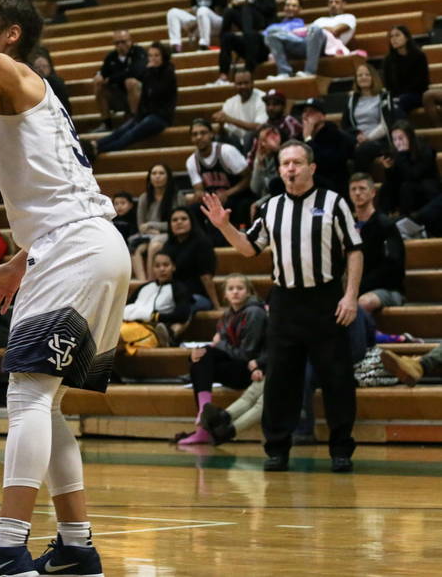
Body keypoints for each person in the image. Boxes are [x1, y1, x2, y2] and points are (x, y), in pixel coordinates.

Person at [0, 0, 128, 577]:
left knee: (26, 396)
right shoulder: (25, 96)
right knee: (46, 406)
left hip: (76, 249)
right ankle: (77, 546)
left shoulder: (20, 80)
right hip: (83, 245)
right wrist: (17, 262)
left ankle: (7, 547)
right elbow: (60, 197)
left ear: (10, 37)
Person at [202, 140, 362, 473]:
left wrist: (350, 296)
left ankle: (341, 449)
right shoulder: (271, 207)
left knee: (337, 378)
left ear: (311, 167)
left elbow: (355, 250)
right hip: (286, 302)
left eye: (297, 163)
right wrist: (224, 226)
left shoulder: (334, 203)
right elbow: (249, 249)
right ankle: (277, 448)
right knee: (279, 380)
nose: (290, 168)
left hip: (326, 300)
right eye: (285, 163)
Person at [175, 272, 267, 445]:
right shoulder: (227, 315)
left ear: (249, 292)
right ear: (225, 294)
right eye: (231, 289)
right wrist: (204, 349)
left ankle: (205, 422)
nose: (235, 292)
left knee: (205, 355)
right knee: (199, 359)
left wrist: (217, 345)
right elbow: (222, 347)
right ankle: (204, 414)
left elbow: (247, 354)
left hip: (253, 370)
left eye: (240, 288)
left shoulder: (255, 313)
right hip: (236, 365)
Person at [93, 41, 176, 155]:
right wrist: (139, 116)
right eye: (150, 55)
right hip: (146, 114)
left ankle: (98, 150)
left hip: (161, 117)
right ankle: (95, 145)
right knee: (121, 130)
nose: (152, 58)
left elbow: (158, 93)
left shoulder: (168, 73)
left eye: (156, 55)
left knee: (130, 135)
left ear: (163, 57)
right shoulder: (149, 72)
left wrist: (150, 72)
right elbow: (145, 97)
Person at [348, 173, 405, 314]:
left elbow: (393, 265)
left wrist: (357, 288)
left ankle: (378, 336)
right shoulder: (348, 226)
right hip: (354, 289)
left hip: (387, 290)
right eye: (353, 189)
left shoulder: (385, 225)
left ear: (373, 192)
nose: (357, 193)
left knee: (363, 303)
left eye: (362, 188)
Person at [266, 0, 356, 80]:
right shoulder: (320, 20)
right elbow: (307, 33)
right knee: (272, 33)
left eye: (336, 2)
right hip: (308, 44)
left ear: (344, 4)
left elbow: (335, 31)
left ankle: (309, 72)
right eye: (330, 2)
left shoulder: (348, 17)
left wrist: (319, 29)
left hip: (326, 47)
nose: (333, 4)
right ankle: (284, 72)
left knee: (315, 29)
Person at [214, 0, 276, 81]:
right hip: (248, 25)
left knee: (246, 8)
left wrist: (250, 2)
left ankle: (248, 36)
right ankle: (223, 75)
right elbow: (234, 4)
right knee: (229, 14)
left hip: (262, 20)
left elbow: (269, 7)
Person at [186, 118, 253, 230]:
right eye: (195, 134)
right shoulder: (191, 161)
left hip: (237, 195)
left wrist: (227, 193)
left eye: (203, 133)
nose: (199, 137)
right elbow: (199, 189)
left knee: (239, 205)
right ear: (191, 139)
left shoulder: (226, 151)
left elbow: (248, 177)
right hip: (215, 200)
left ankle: (243, 233)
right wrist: (198, 194)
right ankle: (204, 240)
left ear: (211, 134)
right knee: (194, 209)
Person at [123, 251, 192, 346]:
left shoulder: (179, 288)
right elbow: (126, 306)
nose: (162, 269)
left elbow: (183, 314)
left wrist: (154, 316)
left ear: (173, 267)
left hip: (150, 328)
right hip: (127, 324)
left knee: (120, 340)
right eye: (157, 266)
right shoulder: (143, 287)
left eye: (166, 265)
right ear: (153, 269)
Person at [380, 121, 440, 226]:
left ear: (410, 137)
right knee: (386, 187)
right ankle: (383, 219)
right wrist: (388, 169)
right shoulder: (398, 154)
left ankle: (405, 222)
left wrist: (402, 156)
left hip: (428, 192)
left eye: (401, 138)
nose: (398, 143)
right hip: (408, 192)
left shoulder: (425, 151)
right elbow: (394, 180)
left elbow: (412, 175)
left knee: (406, 186)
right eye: (394, 139)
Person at [162, 206, 220, 312]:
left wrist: (217, 306)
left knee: (183, 307)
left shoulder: (202, 243)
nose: (179, 222)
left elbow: (206, 277)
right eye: (174, 220)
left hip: (197, 296)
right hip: (173, 295)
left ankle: (174, 329)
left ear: (191, 222)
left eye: (184, 219)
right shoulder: (167, 246)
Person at [132, 163, 183, 281]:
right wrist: (150, 230)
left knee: (155, 246)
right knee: (135, 249)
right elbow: (141, 226)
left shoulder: (177, 196)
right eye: (154, 173)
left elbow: (177, 223)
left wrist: (152, 225)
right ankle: (142, 282)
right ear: (150, 177)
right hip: (149, 235)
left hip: (171, 233)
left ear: (168, 177)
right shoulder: (144, 198)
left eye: (161, 173)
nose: (157, 176)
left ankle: (151, 281)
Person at [342, 63, 396, 173]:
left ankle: (360, 181)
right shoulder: (352, 99)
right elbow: (345, 125)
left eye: (367, 74)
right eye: (360, 75)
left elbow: (386, 124)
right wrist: (357, 136)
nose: (363, 77)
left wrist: (367, 138)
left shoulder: (384, 96)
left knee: (364, 149)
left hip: (378, 141)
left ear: (373, 77)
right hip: (357, 140)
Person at [90, 29, 147, 127]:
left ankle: (136, 119)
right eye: (117, 43)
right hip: (120, 95)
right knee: (98, 84)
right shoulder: (111, 57)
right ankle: (106, 122)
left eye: (123, 42)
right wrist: (99, 76)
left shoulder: (139, 52)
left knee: (131, 82)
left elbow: (136, 72)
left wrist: (111, 79)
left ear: (130, 40)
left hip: (142, 95)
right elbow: (103, 73)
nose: (120, 45)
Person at [297, 98, 353, 194]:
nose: (306, 115)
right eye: (304, 111)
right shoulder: (299, 136)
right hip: (309, 180)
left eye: (312, 112)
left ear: (322, 116)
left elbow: (327, 164)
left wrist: (308, 139)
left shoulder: (335, 134)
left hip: (332, 183)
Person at [382, 25, 430, 119]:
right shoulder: (388, 60)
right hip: (397, 96)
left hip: (417, 95)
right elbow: (388, 84)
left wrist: (400, 96)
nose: (394, 39)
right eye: (391, 36)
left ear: (407, 38)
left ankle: (402, 130)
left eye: (397, 35)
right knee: (386, 104)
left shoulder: (418, 56)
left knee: (398, 103)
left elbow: (422, 82)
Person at [211, 68, 265, 150]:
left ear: (252, 83)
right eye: (239, 84)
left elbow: (258, 127)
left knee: (249, 135)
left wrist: (230, 120)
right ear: (234, 85)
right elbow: (225, 131)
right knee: (218, 138)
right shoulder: (229, 103)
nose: (243, 86)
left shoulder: (262, 98)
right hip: (236, 144)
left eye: (246, 83)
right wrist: (221, 124)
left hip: (256, 143)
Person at [31, 48, 70, 114]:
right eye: (37, 67)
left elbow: (65, 108)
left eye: (44, 66)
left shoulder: (57, 83)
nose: (41, 70)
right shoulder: (31, 84)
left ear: (50, 67)